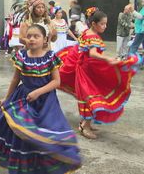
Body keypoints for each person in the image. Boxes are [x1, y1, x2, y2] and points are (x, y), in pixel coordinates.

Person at [0, 24, 81, 174]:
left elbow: (57, 82)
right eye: (29, 36)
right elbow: (15, 80)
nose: (31, 39)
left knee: (45, 135)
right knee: (23, 134)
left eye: (36, 36)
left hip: (46, 103)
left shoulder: (51, 57)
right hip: (23, 100)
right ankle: (23, 168)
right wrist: (7, 98)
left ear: (45, 39)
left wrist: (38, 92)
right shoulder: (21, 55)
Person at [57, 9, 141, 139]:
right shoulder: (93, 36)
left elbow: (81, 50)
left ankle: (86, 124)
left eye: (105, 24)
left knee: (90, 96)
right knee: (91, 97)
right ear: (94, 24)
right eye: (102, 24)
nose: (105, 26)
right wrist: (108, 59)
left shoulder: (87, 32)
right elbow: (93, 54)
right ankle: (84, 126)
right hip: (87, 72)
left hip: (88, 69)